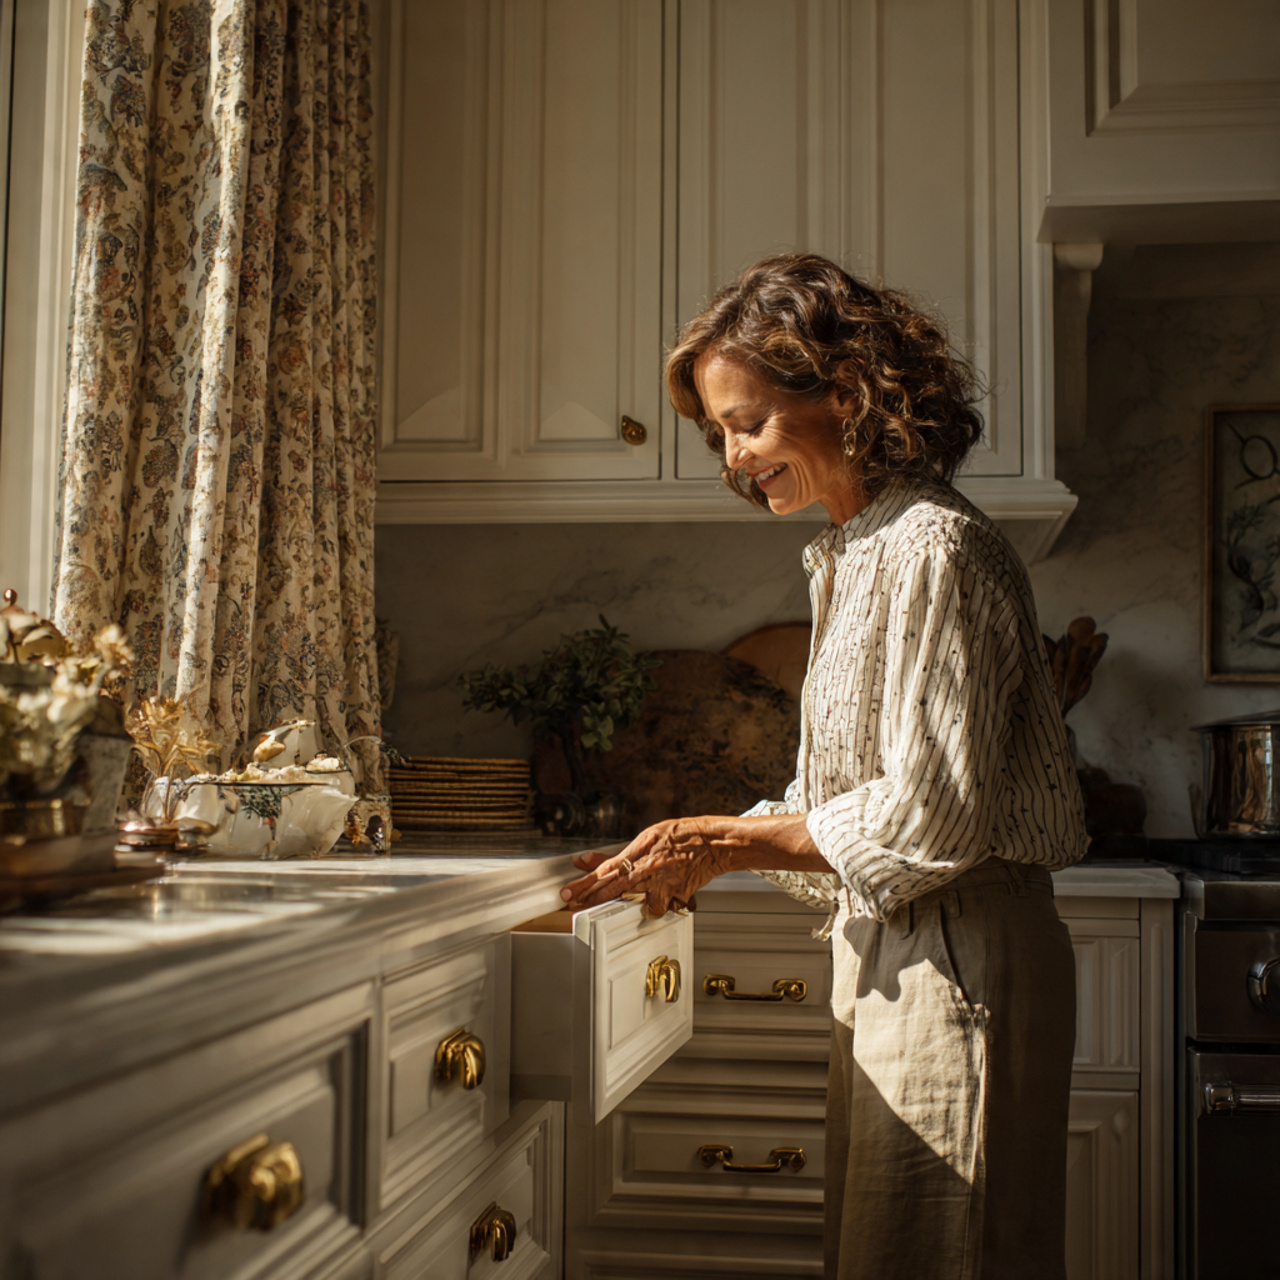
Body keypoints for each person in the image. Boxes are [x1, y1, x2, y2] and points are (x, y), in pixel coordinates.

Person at [561, 253, 1088, 1280]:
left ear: (843, 395)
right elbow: (843, 803)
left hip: (960, 958)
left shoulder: (931, 545)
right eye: (717, 430)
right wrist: (714, 850)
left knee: (943, 1252)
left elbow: (929, 817)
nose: (729, 455)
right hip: (898, 951)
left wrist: (717, 836)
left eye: (746, 421)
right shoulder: (853, 551)